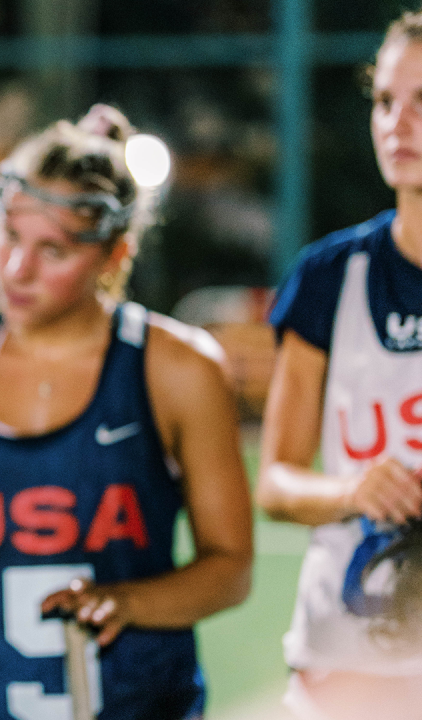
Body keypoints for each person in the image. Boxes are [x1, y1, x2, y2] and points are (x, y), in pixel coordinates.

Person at [0, 105, 253, 720]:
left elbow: (230, 568)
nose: (18, 270)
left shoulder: (177, 369)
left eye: (54, 249)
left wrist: (127, 602)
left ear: (113, 254)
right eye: (10, 236)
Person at [256, 10, 422, 719]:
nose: (397, 123)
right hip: (341, 668)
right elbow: (275, 481)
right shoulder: (330, 275)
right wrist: (356, 489)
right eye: (385, 101)